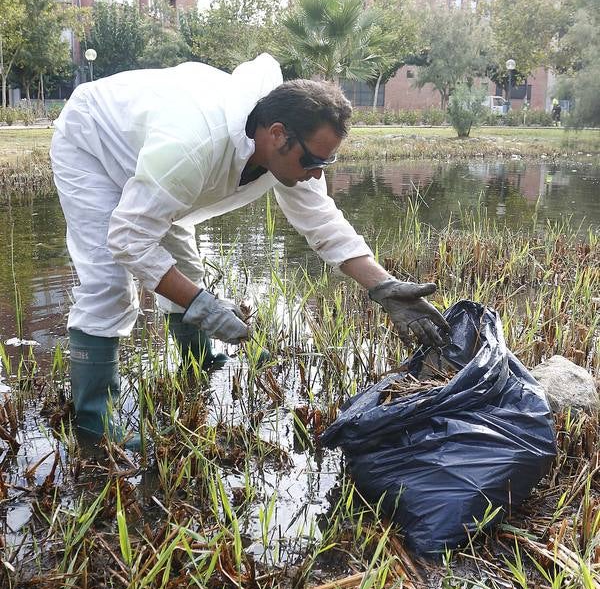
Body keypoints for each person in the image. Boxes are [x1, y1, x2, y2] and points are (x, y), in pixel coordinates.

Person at [50, 54, 450, 443]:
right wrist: (201, 304)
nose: (316, 173)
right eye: (313, 160)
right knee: (108, 285)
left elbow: (322, 220)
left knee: (186, 267)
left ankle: (199, 362)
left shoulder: (287, 145)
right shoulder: (195, 143)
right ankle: (95, 425)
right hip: (95, 142)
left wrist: (383, 287)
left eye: (325, 164)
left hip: (156, 162)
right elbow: (129, 239)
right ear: (277, 134)